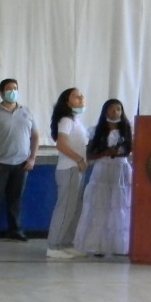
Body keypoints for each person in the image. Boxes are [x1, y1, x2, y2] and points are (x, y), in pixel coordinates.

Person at [0, 78, 39, 242]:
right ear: (1, 92)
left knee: (15, 199)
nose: (13, 91)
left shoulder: (27, 112)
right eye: (9, 88)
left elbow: (35, 135)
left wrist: (32, 158)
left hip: (21, 164)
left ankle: (15, 230)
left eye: (15, 88)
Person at [73, 99, 132, 258]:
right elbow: (90, 155)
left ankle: (120, 246)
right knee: (101, 205)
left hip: (121, 169)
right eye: (111, 109)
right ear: (105, 111)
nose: (115, 112)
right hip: (103, 169)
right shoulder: (96, 131)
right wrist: (105, 153)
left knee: (120, 206)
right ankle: (97, 245)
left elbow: (131, 151)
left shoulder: (127, 130)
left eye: (118, 109)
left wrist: (120, 152)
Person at [46, 88, 88, 260]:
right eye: (76, 96)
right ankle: (53, 246)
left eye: (81, 96)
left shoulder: (76, 120)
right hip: (69, 169)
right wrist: (78, 159)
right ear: (67, 102)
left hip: (77, 170)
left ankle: (66, 243)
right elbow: (61, 145)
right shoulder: (66, 120)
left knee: (74, 210)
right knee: (65, 209)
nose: (81, 98)